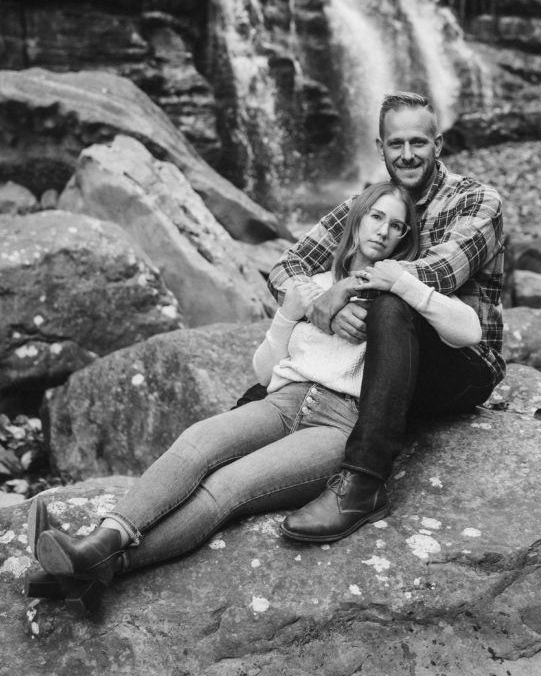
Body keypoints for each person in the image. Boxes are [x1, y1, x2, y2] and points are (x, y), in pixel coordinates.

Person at [28, 180, 481, 611]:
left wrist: (400, 283)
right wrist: (288, 315)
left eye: (397, 225)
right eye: (376, 217)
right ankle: (98, 543)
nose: (383, 230)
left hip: (337, 423)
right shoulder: (313, 284)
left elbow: (469, 330)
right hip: (282, 403)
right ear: (358, 220)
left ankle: (107, 564)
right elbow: (264, 370)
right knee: (196, 444)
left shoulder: (398, 293)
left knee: (226, 488)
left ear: (405, 237)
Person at [272, 90, 505, 543]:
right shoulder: (370, 206)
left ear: (438, 145)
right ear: (380, 149)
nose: (407, 154)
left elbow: (436, 272)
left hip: (461, 362)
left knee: (397, 300)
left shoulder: (477, 201)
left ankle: (362, 481)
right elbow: (286, 266)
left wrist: (344, 288)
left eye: (419, 142)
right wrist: (321, 308)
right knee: (258, 398)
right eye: (395, 144)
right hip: (377, 364)